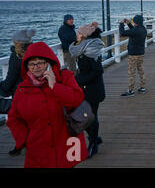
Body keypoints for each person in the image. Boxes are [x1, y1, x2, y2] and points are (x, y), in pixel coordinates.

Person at [7, 42, 89, 168]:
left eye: (40, 62)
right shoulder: (22, 89)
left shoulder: (64, 77)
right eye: (31, 64)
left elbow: (77, 99)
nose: (36, 67)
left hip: (67, 143)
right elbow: (13, 119)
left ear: (49, 62)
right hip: (38, 148)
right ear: (26, 66)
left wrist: (54, 86)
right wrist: (25, 140)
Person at [69, 22, 105, 158]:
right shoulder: (84, 47)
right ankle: (95, 138)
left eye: (79, 33)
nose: (77, 35)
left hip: (94, 90)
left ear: (85, 36)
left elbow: (98, 71)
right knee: (83, 116)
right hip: (84, 88)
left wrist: (78, 80)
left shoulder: (91, 51)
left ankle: (94, 144)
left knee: (91, 117)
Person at [0, 29, 36, 157]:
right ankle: (28, 144)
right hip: (35, 91)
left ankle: (22, 145)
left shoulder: (16, 56)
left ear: (18, 43)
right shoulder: (34, 52)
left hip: (21, 93)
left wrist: (3, 89)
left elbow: (11, 77)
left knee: (18, 122)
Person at [119, 15, 147, 96]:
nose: (133, 22)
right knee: (141, 70)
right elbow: (134, 31)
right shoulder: (143, 29)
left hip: (133, 54)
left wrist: (121, 24)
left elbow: (123, 33)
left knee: (132, 72)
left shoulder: (136, 30)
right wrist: (128, 24)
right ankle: (142, 88)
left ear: (136, 22)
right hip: (141, 53)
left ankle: (131, 90)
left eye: (133, 21)